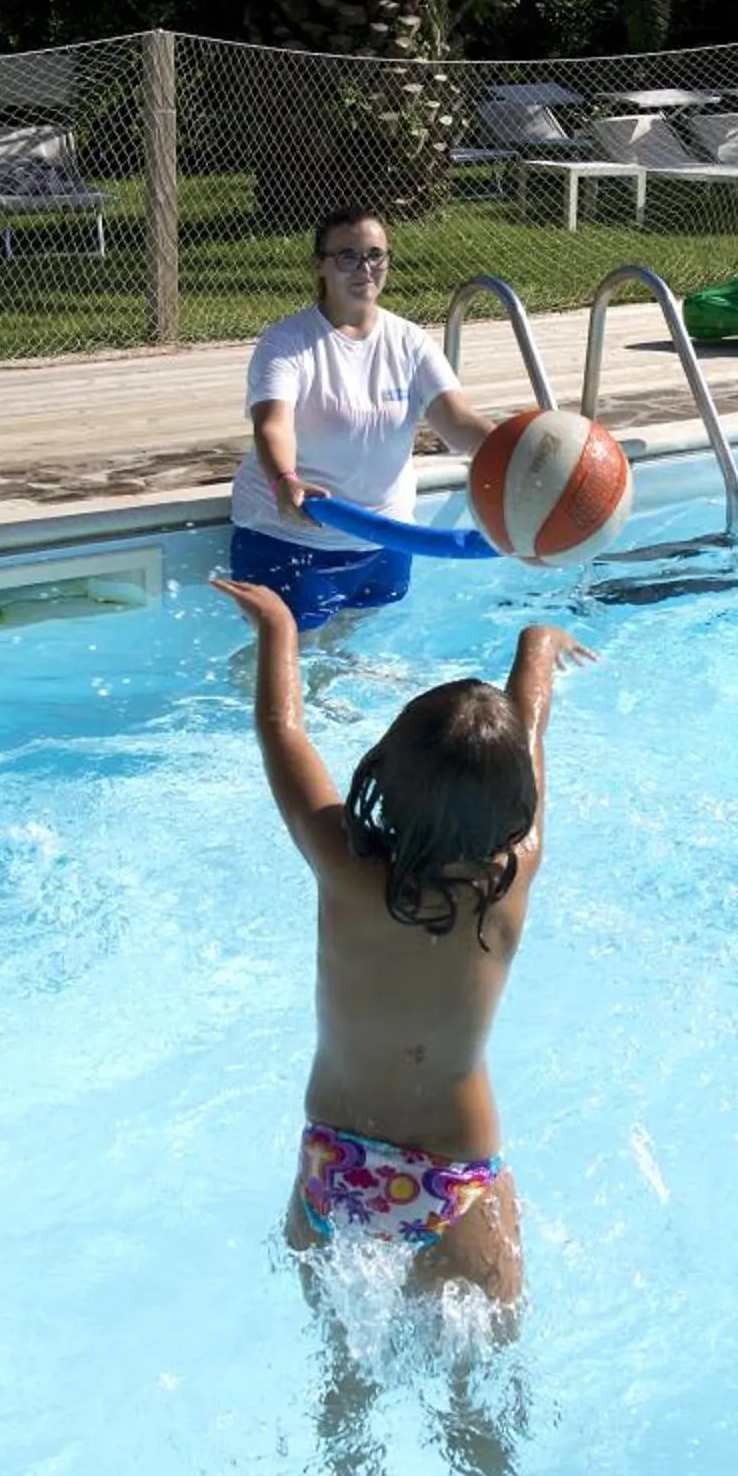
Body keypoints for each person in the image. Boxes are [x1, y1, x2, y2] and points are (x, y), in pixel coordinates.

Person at [211, 578, 590, 1311]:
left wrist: (279, 628)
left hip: (334, 1160)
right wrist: (537, 649)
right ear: (513, 808)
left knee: (341, 1394)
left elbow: (282, 730)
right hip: (457, 1177)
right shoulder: (512, 878)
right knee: (477, 1414)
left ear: (384, 770)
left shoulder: (343, 868)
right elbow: (531, 743)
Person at [230, 205, 498, 633]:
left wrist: (518, 453)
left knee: (351, 658)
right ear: (319, 265)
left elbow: (457, 420)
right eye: (347, 257)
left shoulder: (409, 341)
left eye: (376, 255)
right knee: (280, 663)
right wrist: (285, 480)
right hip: (293, 537)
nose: (365, 268)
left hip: (386, 540)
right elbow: (272, 424)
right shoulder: (287, 343)